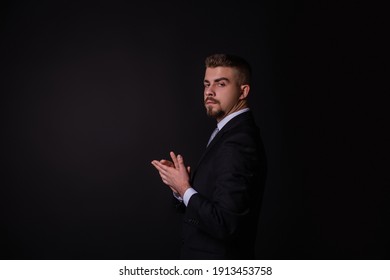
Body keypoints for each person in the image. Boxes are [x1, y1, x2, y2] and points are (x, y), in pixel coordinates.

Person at [151, 53, 266, 259]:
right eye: (206, 84)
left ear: (243, 91)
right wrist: (180, 189)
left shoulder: (238, 141)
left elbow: (225, 223)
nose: (209, 92)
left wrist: (185, 189)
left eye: (220, 84)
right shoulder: (227, 131)